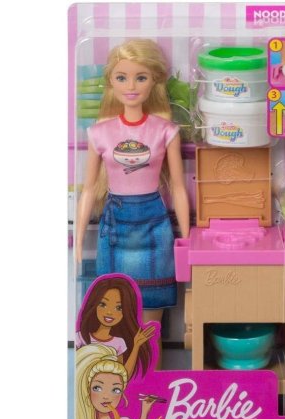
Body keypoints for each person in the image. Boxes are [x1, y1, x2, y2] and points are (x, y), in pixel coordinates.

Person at [76, 39, 190, 326]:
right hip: (115, 227)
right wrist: (78, 241)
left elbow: (178, 187)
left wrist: (186, 241)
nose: (131, 86)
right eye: (121, 78)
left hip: (154, 226)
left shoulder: (165, 131)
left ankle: (151, 359)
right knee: (115, 318)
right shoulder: (99, 133)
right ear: (110, 82)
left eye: (141, 77)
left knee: (151, 323)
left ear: (154, 81)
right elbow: (88, 189)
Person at [76, 275, 156, 378]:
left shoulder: (119, 343)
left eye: (119, 308)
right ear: (94, 304)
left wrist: (136, 346)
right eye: (103, 304)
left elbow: (123, 376)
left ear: (126, 311)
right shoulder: (81, 338)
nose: (109, 312)